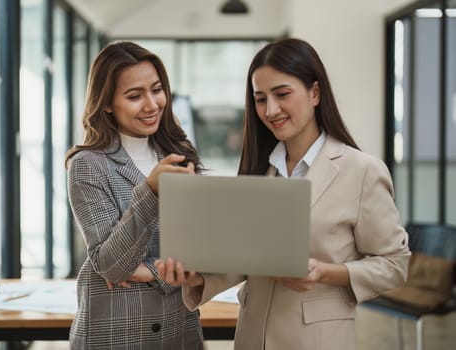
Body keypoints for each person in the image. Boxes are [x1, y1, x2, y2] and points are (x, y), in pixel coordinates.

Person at [156, 38, 411, 350]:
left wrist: (326, 273)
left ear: (315, 93)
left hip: (316, 340)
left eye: (282, 94)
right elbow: (248, 259)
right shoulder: (261, 169)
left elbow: (395, 264)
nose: (270, 110)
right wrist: (195, 277)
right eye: (260, 99)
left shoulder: (362, 171)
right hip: (252, 334)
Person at [65, 41, 204, 349]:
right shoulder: (87, 165)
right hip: (115, 335)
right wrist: (151, 190)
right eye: (134, 96)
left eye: (156, 90)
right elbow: (112, 265)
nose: (152, 104)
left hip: (178, 331)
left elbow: (202, 252)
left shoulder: (181, 153)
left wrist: (147, 271)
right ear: (106, 103)